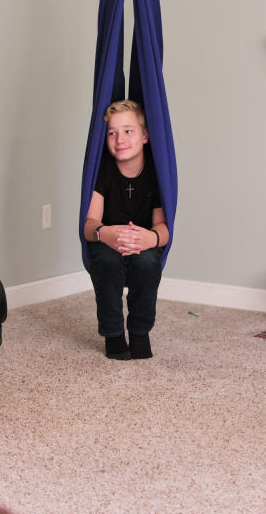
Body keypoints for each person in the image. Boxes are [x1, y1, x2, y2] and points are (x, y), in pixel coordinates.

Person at [82, 100, 170, 360]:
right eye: (112, 132)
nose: (119, 139)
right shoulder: (103, 170)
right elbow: (88, 225)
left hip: (142, 243)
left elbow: (164, 229)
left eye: (128, 131)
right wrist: (105, 233)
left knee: (147, 260)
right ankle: (113, 333)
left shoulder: (157, 172)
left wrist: (149, 238)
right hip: (107, 241)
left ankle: (140, 331)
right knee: (106, 260)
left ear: (145, 136)